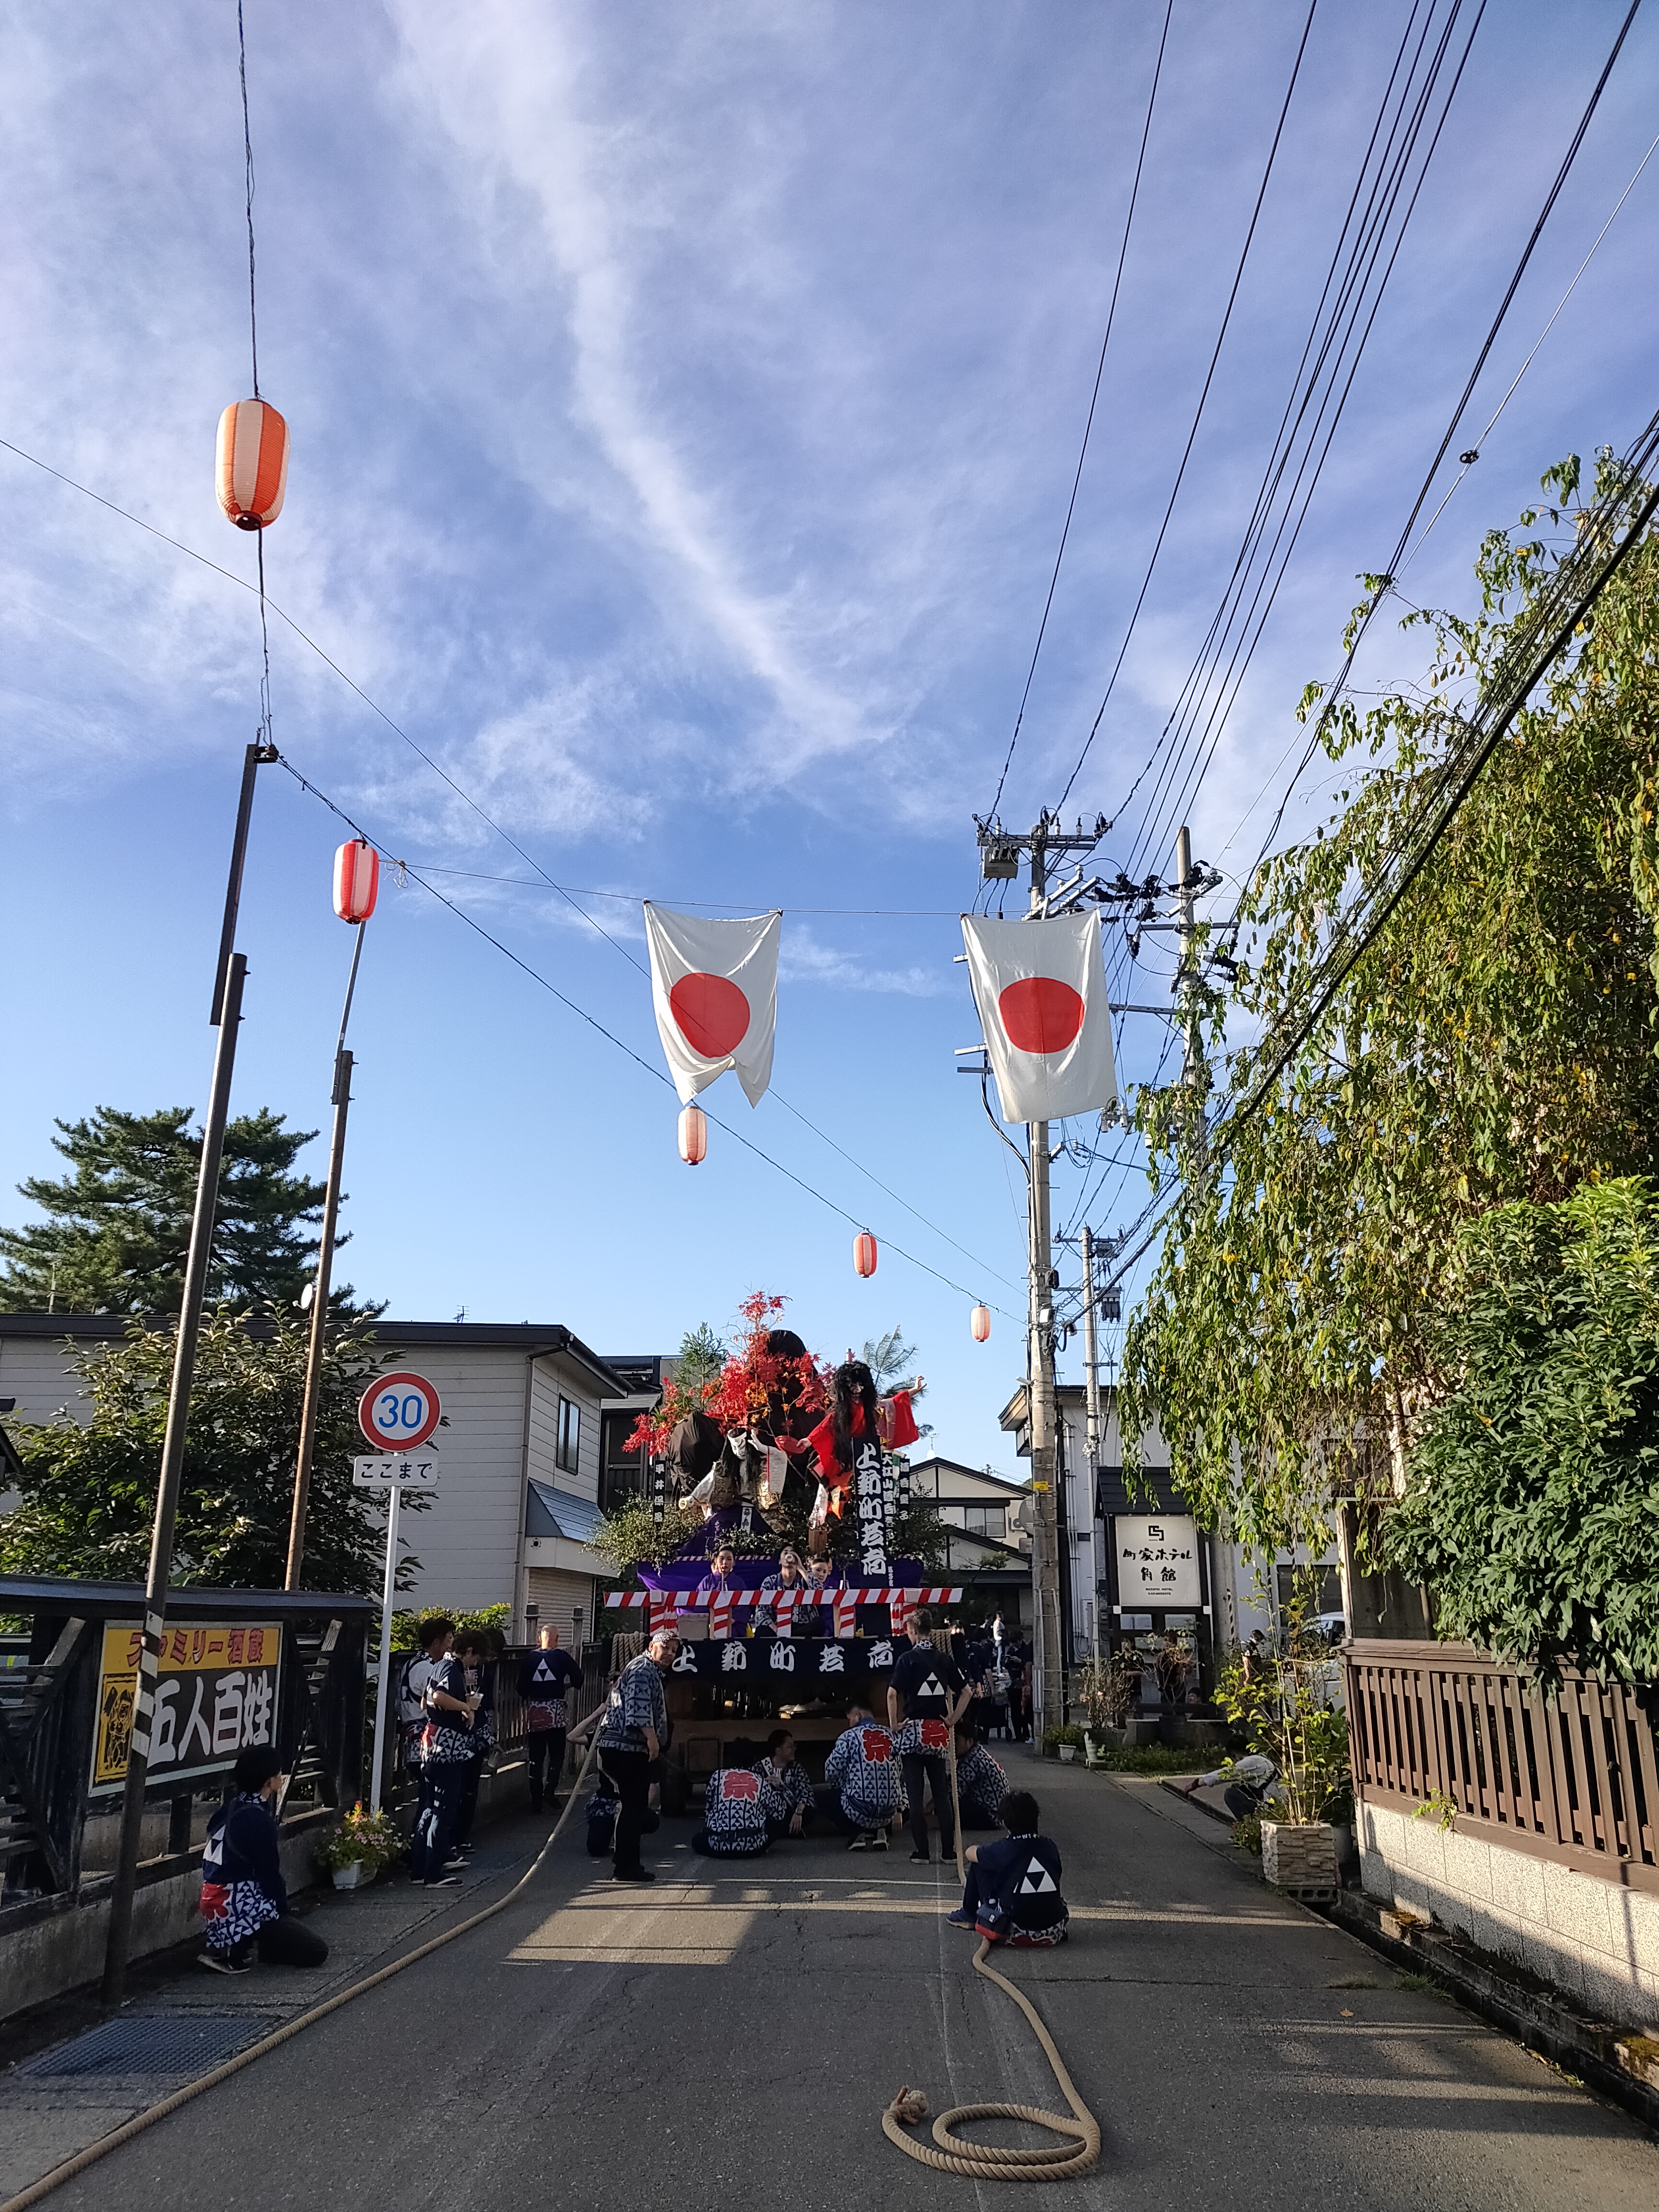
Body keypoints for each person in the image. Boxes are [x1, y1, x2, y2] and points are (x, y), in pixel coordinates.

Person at [198, 1747, 329, 1973]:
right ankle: (235, 1952)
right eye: (278, 1774)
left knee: (272, 1914)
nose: (280, 1777)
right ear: (269, 1781)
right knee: (317, 1951)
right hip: (236, 1902)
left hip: (213, 1895)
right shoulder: (258, 1818)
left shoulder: (231, 1807)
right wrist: (282, 1910)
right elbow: (269, 1873)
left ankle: (247, 1944)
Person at [595, 1625, 679, 1883]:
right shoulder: (643, 1670)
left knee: (634, 1808)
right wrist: (652, 1739)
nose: (669, 1654)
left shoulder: (647, 1670)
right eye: (665, 1648)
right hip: (625, 1748)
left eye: (674, 1651)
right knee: (633, 1808)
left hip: (625, 1748)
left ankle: (625, 1860)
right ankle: (626, 1867)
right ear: (652, 1646)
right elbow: (639, 1708)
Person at [888, 1608, 972, 1863]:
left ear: (913, 1631)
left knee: (914, 1792)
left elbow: (892, 1694)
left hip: (913, 1730)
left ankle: (922, 1852)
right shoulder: (945, 1660)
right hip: (937, 1731)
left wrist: (894, 1725)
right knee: (941, 1793)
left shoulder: (907, 1660)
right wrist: (953, 1719)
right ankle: (948, 1851)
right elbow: (966, 1692)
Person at [946, 1790, 1068, 1947]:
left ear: (1003, 1822)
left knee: (979, 1863)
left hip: (1012, 1924)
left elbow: (970, 1853)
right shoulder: (1050, 1846)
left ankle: (968, 1914)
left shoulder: (1002, 1849)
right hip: (1052, 1921)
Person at [409, 1623, 478, 1885]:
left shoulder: (436, 1666)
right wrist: (465, 1708)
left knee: (429, 1808)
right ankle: (434, 1873)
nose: (450, 1642)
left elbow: (424, 1701)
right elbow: (437, 1697)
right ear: (469, 1651)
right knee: (444, 1810)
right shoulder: (450, 1667)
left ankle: (420, 1868)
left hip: (431, 1742)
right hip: (446, 1747)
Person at [820, 1702, 904, 1850]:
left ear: (858, 1715)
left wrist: (846, 1779)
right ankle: (880, 1832)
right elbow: (900, 1772)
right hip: (889, 1813)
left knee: (821, 1799)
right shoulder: (891, 1735)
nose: (850, 1723)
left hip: (859, 1810)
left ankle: (857, 1832)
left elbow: (830, 1773)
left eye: (850, 1719)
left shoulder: (848, 1737)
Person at [519, 1622, 583, 1812]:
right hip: (555, 1711)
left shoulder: (531, 1658)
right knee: (556, 1754)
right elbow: (579, 1679)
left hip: (535, 1711)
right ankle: (550, 1791)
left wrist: (533, 1691)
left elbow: (520, 1688)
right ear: (556, 1640)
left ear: (540, 1639)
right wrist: (565, 1686)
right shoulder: (562, 1657)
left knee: (536, 1757)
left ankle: (536, 1800)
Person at [453, 1630, 497, 1860]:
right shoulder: (450, 1668)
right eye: (478, 1657)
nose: (478, 1662)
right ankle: (451, 1839)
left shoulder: (485, 1670)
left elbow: (488, 1701)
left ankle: (462, 1836)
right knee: (455, 1789)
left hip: (477, 1732)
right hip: (457, 1735)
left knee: (470, 1788)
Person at [692, 1767, 772, 1857]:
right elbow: (778, 1811)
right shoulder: (759, 1779)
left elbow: (709, 1809)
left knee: (697, 1840)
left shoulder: (717, 1776)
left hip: (720, 1845)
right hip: (753, 1846)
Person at [1180, 1754, 1280, 1822]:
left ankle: (1249, 1826)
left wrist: (1197, 1784)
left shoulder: (1252, 1762)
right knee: (1238, 1787)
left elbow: (1226, 1774)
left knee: (1231, 1794)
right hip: (1276, 1804)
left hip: (1271, 1808)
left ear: (1237, 1755)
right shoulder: (1262, 1760)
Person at [754, 1728, 814, 1838]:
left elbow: (805, 1793)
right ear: (778, 1750)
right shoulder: (761, 1768)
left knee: (809, 1812)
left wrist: (798, 1813)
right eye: (789, 1747)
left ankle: (784, 1829)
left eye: (794, 1746)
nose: (793, 1750)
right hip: (770, 1810)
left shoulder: (796, 1768)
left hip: (791, 1810)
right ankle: (787, 1831)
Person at [952, 1725, 1007, 1829]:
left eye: (957, 1740)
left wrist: (930, 1806)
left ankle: (937, 1822)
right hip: (997, 1811)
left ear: (969, 1742)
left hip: (991, 1814)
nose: (953, 1744)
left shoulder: (973, 1760)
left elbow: (954, 1789)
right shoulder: (977, 1753)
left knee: (949, 1806)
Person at [755, 1547, 810, 1635]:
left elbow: (820, 1590)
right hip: (775, 1627)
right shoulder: (770, 1582)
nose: (789, 1555)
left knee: (819, 1624)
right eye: (785, 1553)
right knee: (761, 1630)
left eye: (793, 1553)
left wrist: (801, 1568)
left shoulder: (805, 1581)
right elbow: (761, 1611)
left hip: (800, 1627)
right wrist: (773, 1627)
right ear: (780, 1561)